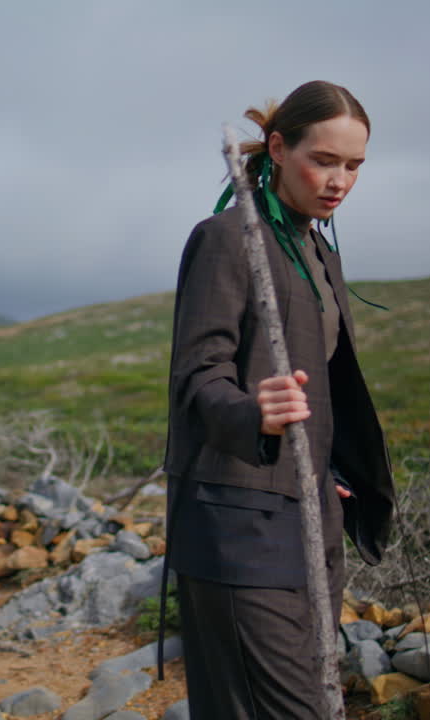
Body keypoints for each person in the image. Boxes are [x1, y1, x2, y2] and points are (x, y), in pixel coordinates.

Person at [161, 80, 396, 718]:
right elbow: (196, 379)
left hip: (309, 513)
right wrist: (251, 413)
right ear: (278, 147)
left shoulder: (317, 249)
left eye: (354, 166)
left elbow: (321, 382)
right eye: (323, 159)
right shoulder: (225, 238)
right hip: (234, 520)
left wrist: (329, 471)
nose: (339, 180)